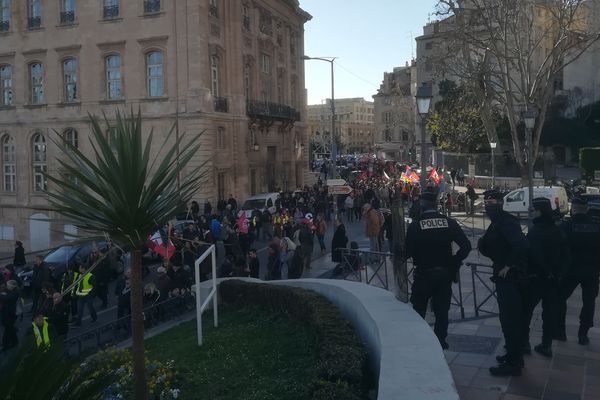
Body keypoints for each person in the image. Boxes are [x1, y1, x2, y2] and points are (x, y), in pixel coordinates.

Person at [405, 190, 471, 350]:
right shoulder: (449, 222)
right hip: (444, 274)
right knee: (442, 310)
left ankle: (418, 339)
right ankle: (440, 340)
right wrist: (454, 261)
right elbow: (466, 246)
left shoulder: (415, 226)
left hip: (424, 274)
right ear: (436, 205)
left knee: (419, 308)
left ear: (421, 205)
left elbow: (407, 252)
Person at [478, 190, 528, 376]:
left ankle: (514, 363)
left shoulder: (506, 222)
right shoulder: (498, 222)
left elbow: (521, 245)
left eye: (491, 201)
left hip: (510, 279)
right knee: (507, 320)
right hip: (502, 275)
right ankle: (513, 355)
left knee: (511, 320)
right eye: (486, 202)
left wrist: (509, 265)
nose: (488, 205)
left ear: (500, 203)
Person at [521, 198, 570, 358]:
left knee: (526, 312)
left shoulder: (536, 231)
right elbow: (566, 256)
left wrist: (544, 271)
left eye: (533, 210)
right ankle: (546, 345)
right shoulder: (557, 230)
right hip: (553, 280)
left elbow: (533, 255)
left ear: (540, 211)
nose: (531, 212)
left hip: (537, 279)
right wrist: (558, 273)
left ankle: (524, 344)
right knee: (549, 314)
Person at [556, 197, 600, 345]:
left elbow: (560, 250)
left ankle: (560, 332)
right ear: (587, 209)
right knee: (589, 302)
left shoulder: (566, 226)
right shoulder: (597, 226)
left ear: (573, 209)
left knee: (560, 298)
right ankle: (583, 335)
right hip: (592, 272)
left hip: (571, 271)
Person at [0, 280, 20, 351]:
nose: (7, 286)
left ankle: (5, 344)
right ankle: (14, 341)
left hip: (11, 313)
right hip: (7, 313)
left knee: (8, 329)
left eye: (8, 285)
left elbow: (7, 298)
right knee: (9, 328)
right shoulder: (11, 291)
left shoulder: (15, 293)